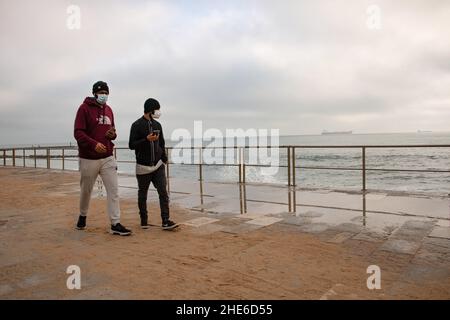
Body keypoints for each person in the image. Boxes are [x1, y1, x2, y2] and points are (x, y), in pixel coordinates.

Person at [73, 81, 132, 236]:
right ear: (95, 93)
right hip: (89, 158)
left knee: (113, 190)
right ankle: (83, 215)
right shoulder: (84, 109)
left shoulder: (109, 110)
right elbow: (78, 133)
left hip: (107, 157)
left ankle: (115, 223)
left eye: (106, 92)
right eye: (101, 92)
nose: (104, 95)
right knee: (86, 190)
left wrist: (113, 135)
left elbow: (112, 130)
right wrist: (93, 144)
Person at [128, 98, 178, 230]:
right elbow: (131, 145)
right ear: (150, 110)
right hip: (143, 166)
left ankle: (166, 221)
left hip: (158, 165)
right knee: (142, 194)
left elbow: (161, 143)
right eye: (157, 110)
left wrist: (164, 157)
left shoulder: (158, 125)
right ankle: (144, 221)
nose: (159, 112)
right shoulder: (136, 125)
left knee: (163, 192)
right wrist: (146, 139)